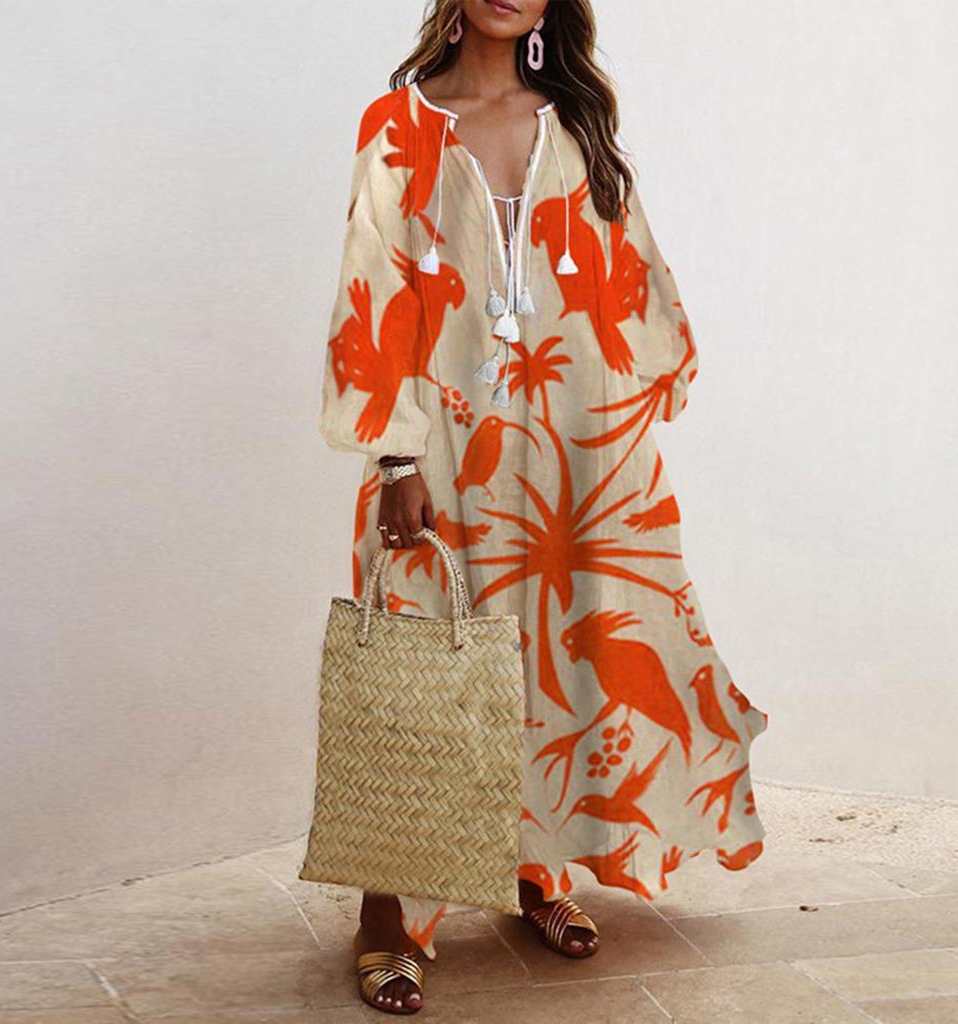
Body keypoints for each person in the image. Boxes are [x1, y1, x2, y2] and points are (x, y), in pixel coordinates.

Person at [317, 0, 769, 1014]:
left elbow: (626, 272)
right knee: (426, 661)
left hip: (573, 436)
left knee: (558, 654)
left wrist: (629, 427)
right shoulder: (398, 125)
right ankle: (388, 911)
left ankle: (536, 866)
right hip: (442, 434)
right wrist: (396, 455)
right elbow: (371, 287)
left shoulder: (575, 123)